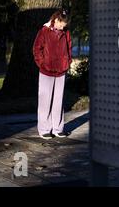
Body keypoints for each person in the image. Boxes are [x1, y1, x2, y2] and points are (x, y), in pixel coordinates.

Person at [32, 9, 72, 139]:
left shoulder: (66, 33)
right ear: (55, 20)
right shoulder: (44, 31)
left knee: (58, 100)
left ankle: (58, 128)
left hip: (61, 70)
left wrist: (68, 61)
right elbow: (37, 49)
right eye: (61, 23)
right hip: (46, 70)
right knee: (45, 100)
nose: (63, 26)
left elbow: (69, 48)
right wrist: (42, 63)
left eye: (64, 24)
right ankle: (44, 129)